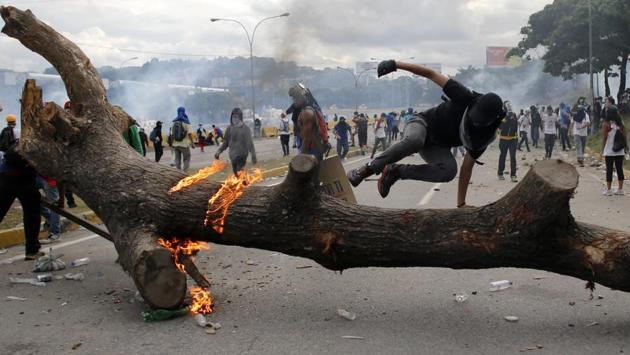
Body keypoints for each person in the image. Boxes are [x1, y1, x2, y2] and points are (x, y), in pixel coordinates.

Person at [348, 60, 505, 205]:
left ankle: (395, 171)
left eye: (480, 122)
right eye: (474, 117)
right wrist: (395, 64)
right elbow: (431, 74)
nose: (475, 122)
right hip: (422, 123)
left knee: (449, 171)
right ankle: (366, 169)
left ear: (492, 121)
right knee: (415, 141)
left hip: (437, 146)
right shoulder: (465, 96)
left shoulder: (484, 138)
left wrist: (461, 204)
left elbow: (466, 169)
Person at [0, 114, 43, 260]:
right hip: (24, 179)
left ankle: (32, 249)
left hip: (5, 176)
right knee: (32, 213)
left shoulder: (22, 137)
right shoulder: (42, 142)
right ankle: (32, 250)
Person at [288, 83, 330, 163]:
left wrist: (301, 158)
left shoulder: (307, 113)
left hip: (310, 150)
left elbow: (306, 138)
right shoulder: (314, 108)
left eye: (295, 98)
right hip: (316, 148)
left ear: (302, 97)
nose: (294, 100)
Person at [215, 108, 257, 175]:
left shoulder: (245, 128)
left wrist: (253, 156)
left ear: (240, 117)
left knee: (239, 171)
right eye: (233, 117)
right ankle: (243, 182)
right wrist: (219, 151)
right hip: (233, 156)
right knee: (236, 173)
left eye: (236, 117)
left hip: (242, 155)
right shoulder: (229, 128)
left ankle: (243, 182)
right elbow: (225, 142)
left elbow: (250, 144)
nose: (234, 119)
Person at [601, 106, 626, 196]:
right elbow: (625, 137)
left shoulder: (606, 124)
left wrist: (602, 150)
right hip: (620, 150)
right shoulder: (621, 123)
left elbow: (604, 138)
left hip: (609, 151)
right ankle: (620, 189)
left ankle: (609, 190)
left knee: (609, 170)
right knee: (619, 169)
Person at [37, 176, 61, 244]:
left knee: (54, 205)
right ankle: (53, 223)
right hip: (35, 176)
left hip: (49, 178)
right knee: (35, 200)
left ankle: (55, 233)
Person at [170, 107, 195, 172]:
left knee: (177, 159)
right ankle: (185, 173)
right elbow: (189, 134)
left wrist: (172, 144)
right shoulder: (186, 121)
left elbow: (172, 134)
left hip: (176, 145)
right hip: (184, 145)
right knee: (186, 159)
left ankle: (178, 172)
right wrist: (192, 143)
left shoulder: (174, 122)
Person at [498, 111, 519, 182]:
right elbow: (500, 127)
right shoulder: (502, 116)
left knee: (513, 156)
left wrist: (516, 138)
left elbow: (515, 127)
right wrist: (506, 118)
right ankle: (500, 173)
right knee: (503, 156)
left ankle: (513, 175)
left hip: (513, 139)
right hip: (503, 139)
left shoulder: (514, 116)